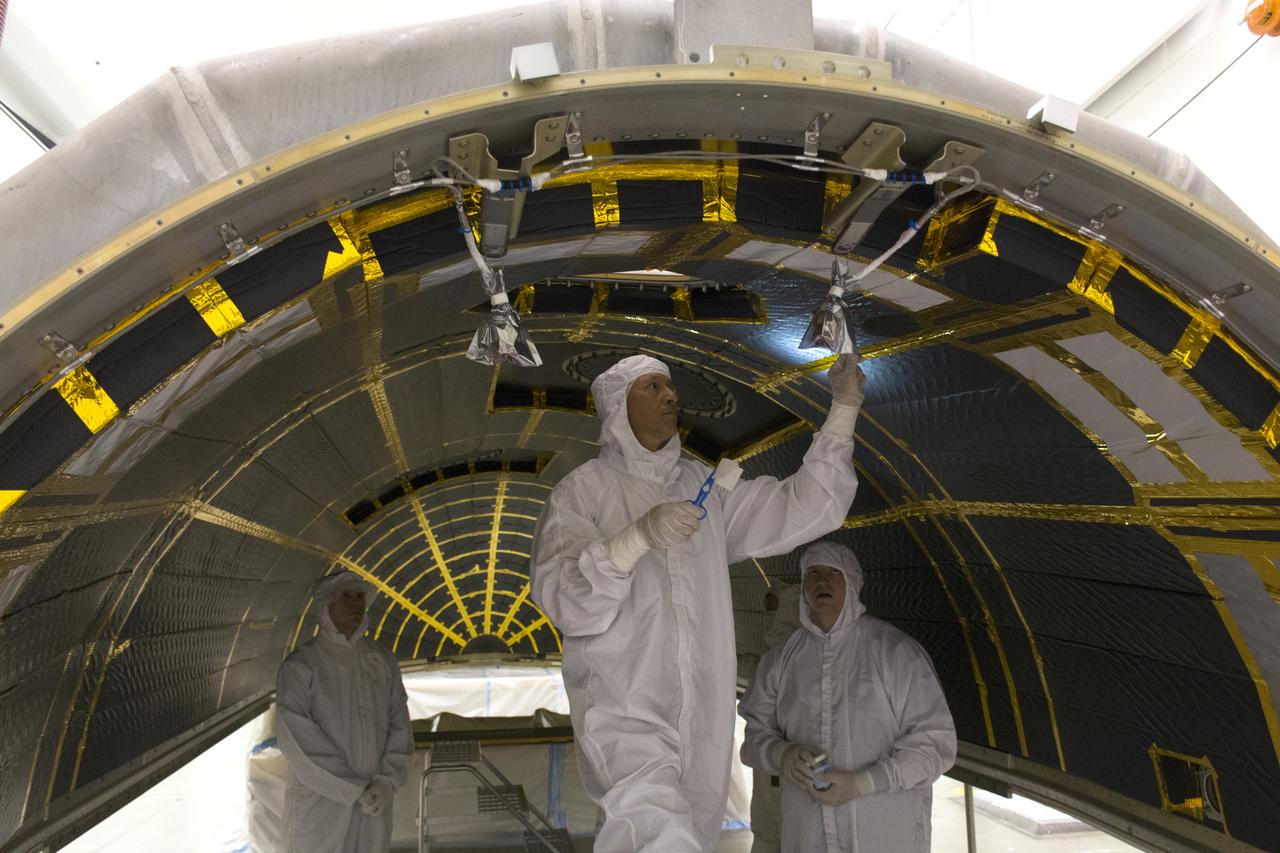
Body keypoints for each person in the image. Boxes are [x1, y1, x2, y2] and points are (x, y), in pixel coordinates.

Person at [530, 352, 865, 852]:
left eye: (670, 386)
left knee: (697, 834)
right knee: (654, 831)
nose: (671, 395)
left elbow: (803, 506)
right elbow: (570, 604)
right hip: (625, 706)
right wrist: (634, 538)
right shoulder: (583, 493)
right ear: (618, 407)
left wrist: (843, 409)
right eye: (652, 387)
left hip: (706, 716)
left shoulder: (701, 488)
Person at [739, 541, 956, 853]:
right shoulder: (781, 661)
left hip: (882, 835)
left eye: (833, 573)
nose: (822, 581)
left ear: (852, 583)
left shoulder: (895, 653)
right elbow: (754, 737)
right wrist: (781, 755)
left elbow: (936, 746)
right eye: (813, 573)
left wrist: (863, 783)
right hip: (807, 836)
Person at [275, 571, 413, 853]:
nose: (356, 603)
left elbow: (400, 725)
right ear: (325, 606)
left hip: (374, 800)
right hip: (321, 801)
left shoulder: (381, 661)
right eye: (346, 596)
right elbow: (298, 739)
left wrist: (386, 782)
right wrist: (351, 789)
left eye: (360, 597)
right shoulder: (302, 665)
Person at [745, 583, 802, 853]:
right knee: (767, 831)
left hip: (789, 769)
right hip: (767, 768)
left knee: (787, 835)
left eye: (772, 607)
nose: (767, 613)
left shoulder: (802, 659)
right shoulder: (769, 658)